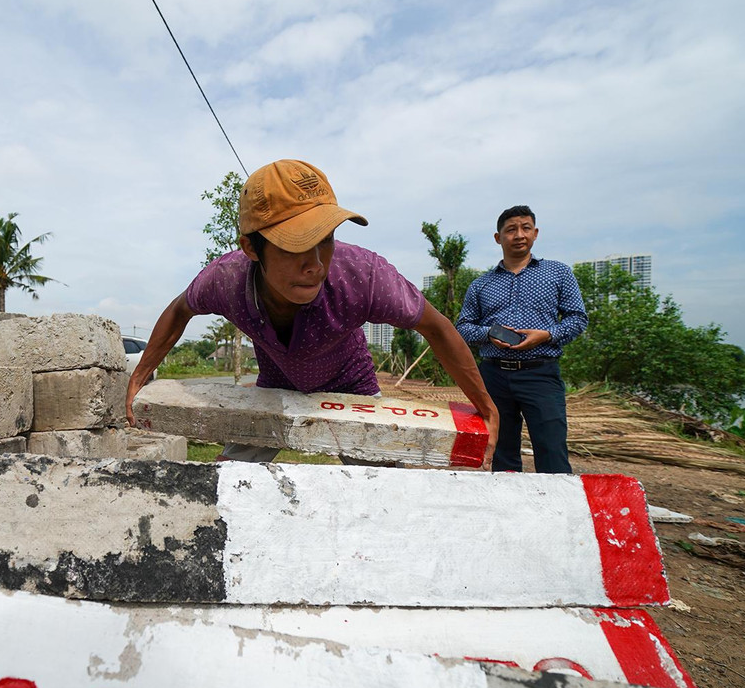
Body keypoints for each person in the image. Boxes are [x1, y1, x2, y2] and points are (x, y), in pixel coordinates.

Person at [124, 158, 498, 465]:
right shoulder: (226, 280)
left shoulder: (363, 275)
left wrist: (486, 407)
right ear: (251, 248)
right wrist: (139, 377)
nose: (316, 264)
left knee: (382, 485)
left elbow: (437, 327)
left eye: (326, 239)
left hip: (351, 385)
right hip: (276, 383)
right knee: (228, 481)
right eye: (295, 245)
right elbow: (178, 310)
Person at [455, 205, 587, 473]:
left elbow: (577, 319)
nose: (519, 235)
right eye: (511, 229)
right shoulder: (481, 284)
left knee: (552, 451)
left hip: (540, 373)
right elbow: (463, 326)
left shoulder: (558, 273)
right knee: (501, 452)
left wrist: (547, 335)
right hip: (493, 376)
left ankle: (556, 511)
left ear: (535, 233)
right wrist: (489, 334)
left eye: (525, 228)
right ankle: (508, 508)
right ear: (498, 237)